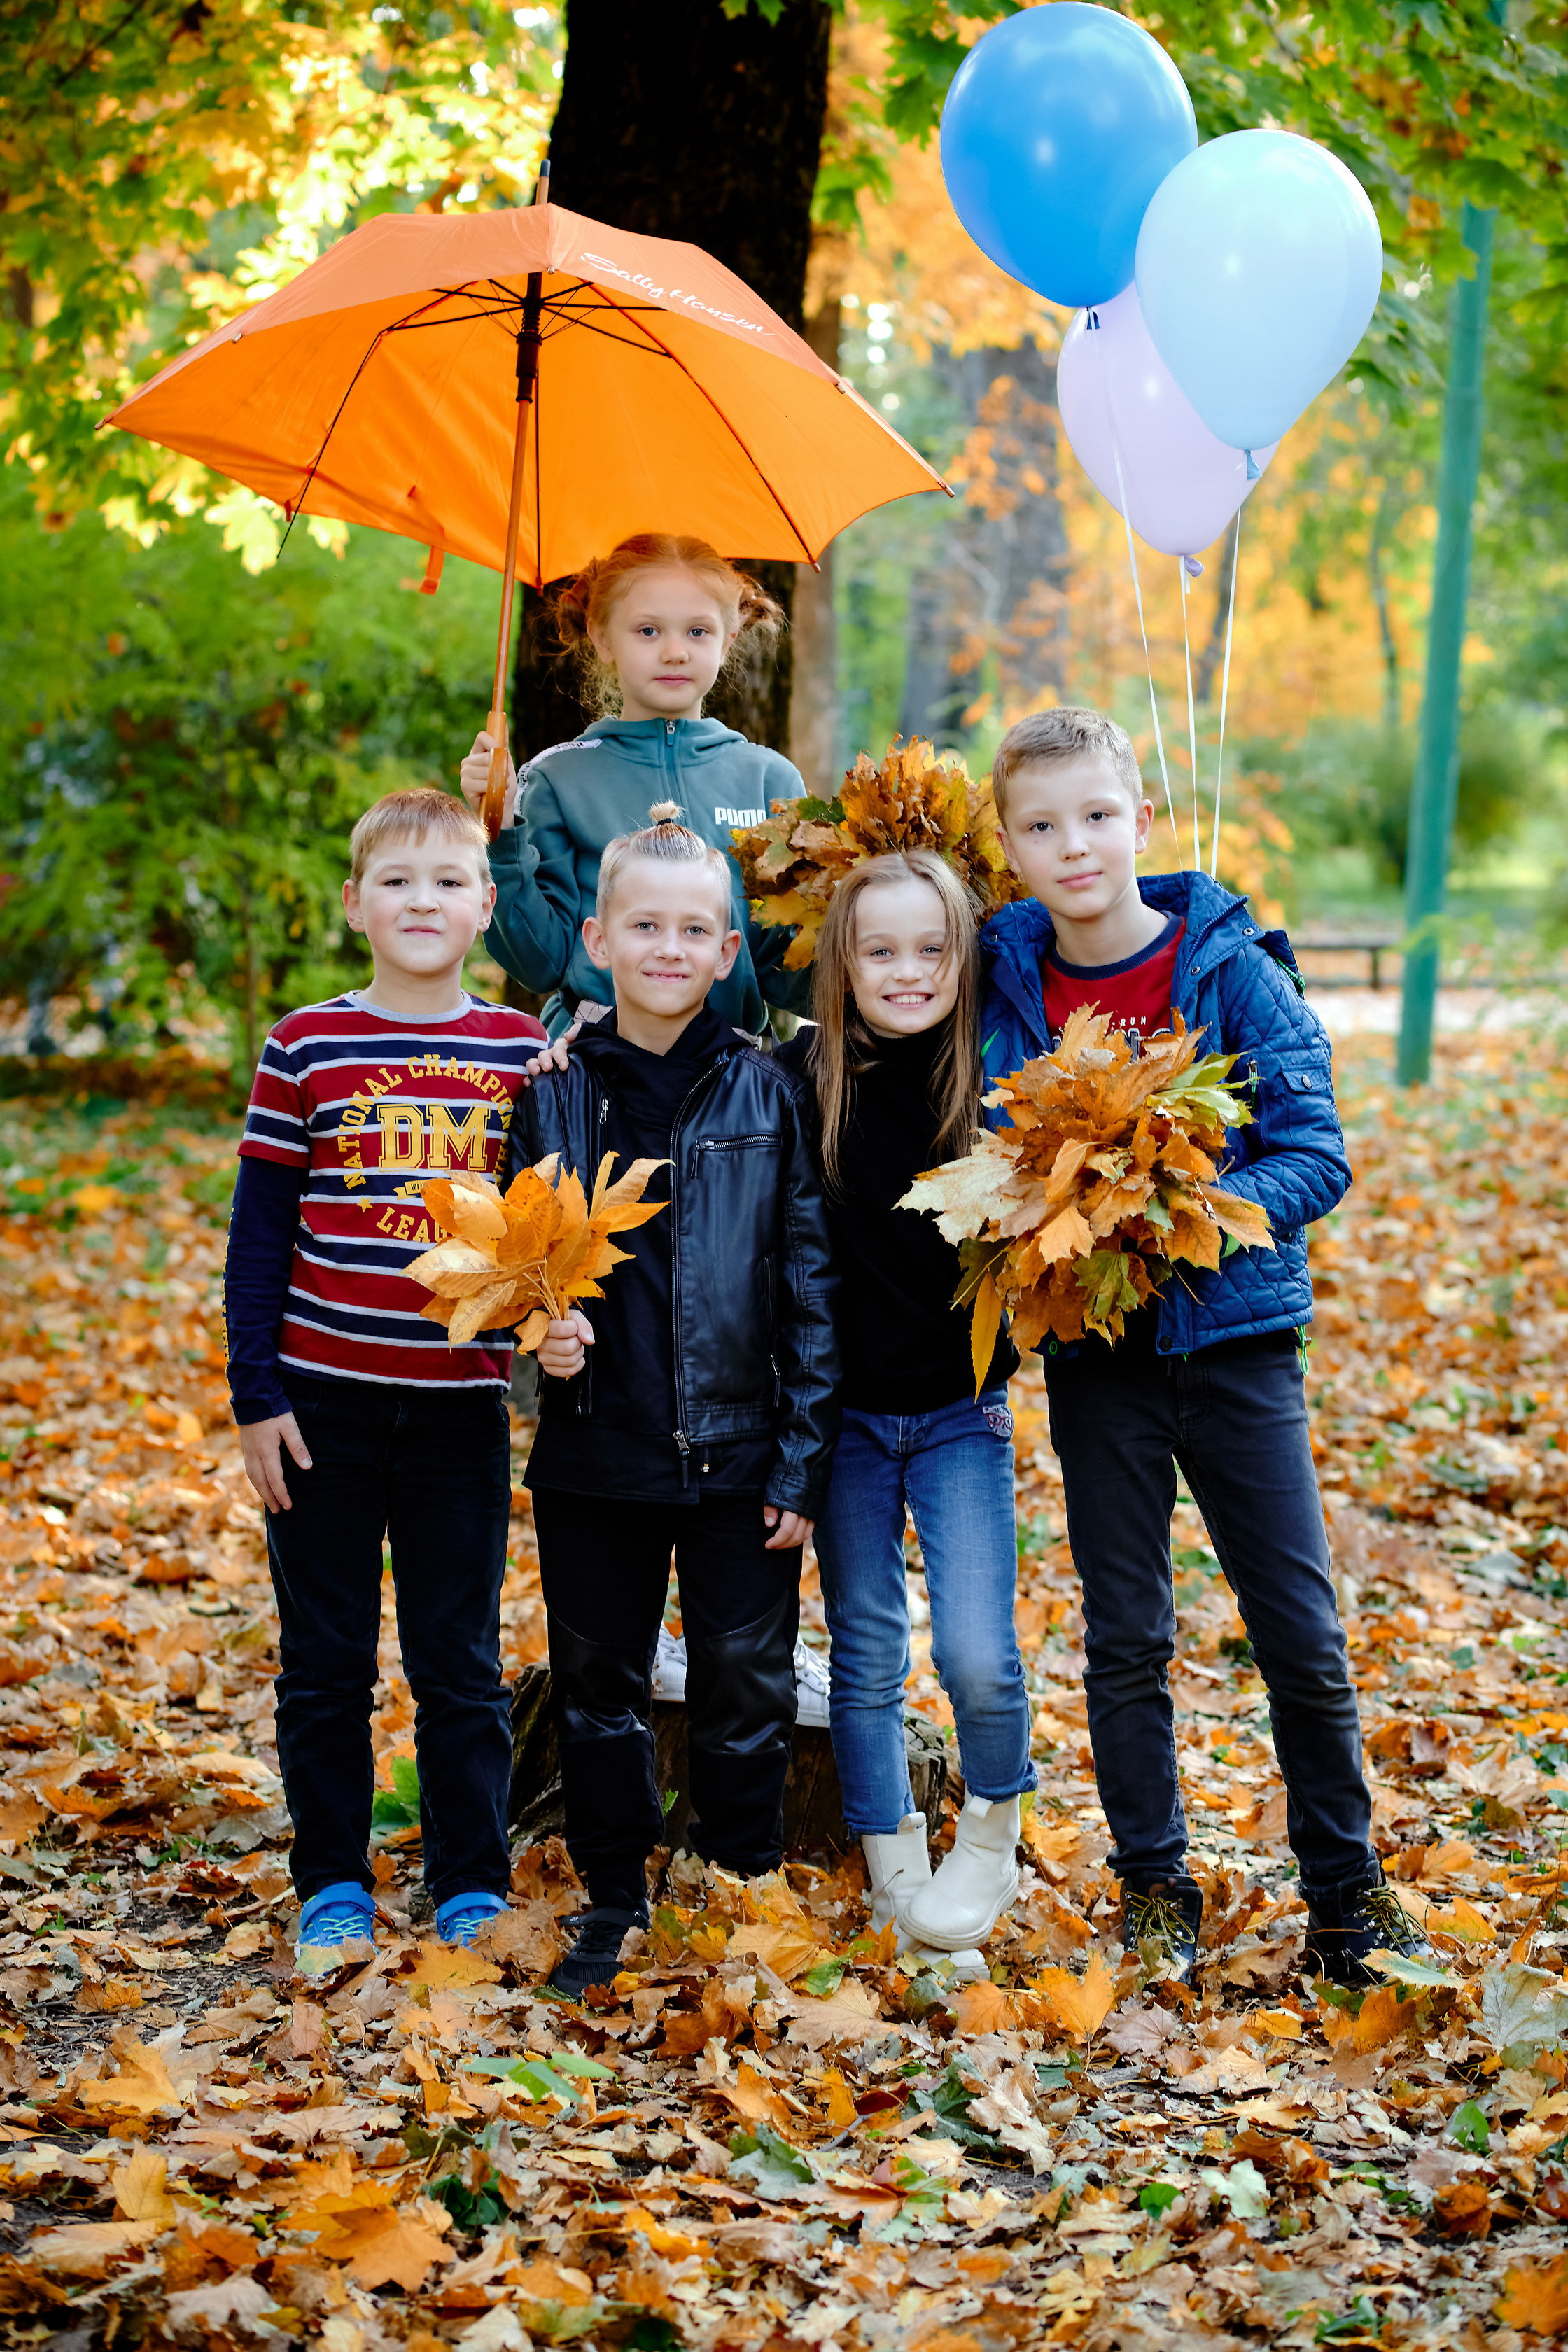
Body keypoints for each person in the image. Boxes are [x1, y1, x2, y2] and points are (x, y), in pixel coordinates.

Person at [975, 706, 1432, 1988]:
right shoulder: (1005, 980)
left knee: (1299, 1630)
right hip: (1098, 1354)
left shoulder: (1228, 969)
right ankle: (1154, 1889)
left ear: (1143, 823)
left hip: (1237, 1346)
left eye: (1098, 817)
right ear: (1008, 846)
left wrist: (1201, 1224)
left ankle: (1346, 1898)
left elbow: (1316, 1151)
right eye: (1044, 826)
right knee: (1127, 1637)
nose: (1076, 846)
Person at [515, 803, 839, 1998]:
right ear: (597, 939)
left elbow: (809, 1281)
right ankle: (614, 1893)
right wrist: (531, 1341)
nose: (666, 946)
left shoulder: (766, 1089)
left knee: (743, 1688)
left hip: (740, 1457)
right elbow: (510, 1265)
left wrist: (803, 1463)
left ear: (725, 951)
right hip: (597, 1450)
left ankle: (739, 1882)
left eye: (692, 929)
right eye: (643, 924)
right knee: (599, 1689)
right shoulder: (551, 1089)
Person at [225, 787, 547, 1973]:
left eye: (449, 882)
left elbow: (547, 1238)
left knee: (457, 1658)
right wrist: (256, 1395)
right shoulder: (306, 1045)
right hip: (322, 1404)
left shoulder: (523, 1053)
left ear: (486, 905)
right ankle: (332, 1881)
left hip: (461, 1406)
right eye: (398, 882)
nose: (424, 901)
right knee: (325, 1660)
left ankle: (469, 1878)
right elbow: (260, 1237)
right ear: (355, 901)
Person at [775, 853, 1035, 1977]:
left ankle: (991, 1840)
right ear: (841, 961)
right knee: (867, 1654)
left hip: (959, 1412)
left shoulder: (998, 1078)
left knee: (980, 1654)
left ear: (964, 955)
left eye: (932, 947)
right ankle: (899, 1874)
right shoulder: (802, 1077)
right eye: (879, 949)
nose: (908, 970)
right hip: (847, 1426)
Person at [458, 532, 813, 1037]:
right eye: (648, 631)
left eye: (697, 632)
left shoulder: (769, 779)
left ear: (728, 638)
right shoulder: (557, 779)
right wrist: (501, 824)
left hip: (731, 1077)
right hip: (595, 1070)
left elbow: (788, 971)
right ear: (603, 637)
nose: (674, 652)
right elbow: (539, 960)